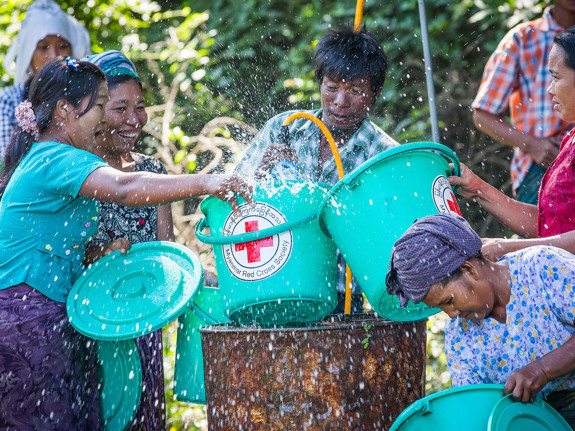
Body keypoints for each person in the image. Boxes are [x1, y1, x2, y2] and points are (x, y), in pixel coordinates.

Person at [0, 57, 252, 430]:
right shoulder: (55, 158)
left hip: (47, 315)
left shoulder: (55, 159)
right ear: (65, 111)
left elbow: (47, 241)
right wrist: (208, 181)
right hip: (27, 318)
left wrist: (96, 253)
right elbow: (124, 187)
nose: (103, 120)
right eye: (101, 107)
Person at [236, 25, 398, 313]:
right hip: (272, 284)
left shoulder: (383, 156)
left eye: (356, 90)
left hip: (342, 301)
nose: (340, 102)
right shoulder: (283, 128)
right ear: (320, 83)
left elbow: (388, 243)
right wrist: (260, 172)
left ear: (376, 94)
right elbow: (231, 203)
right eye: (332, 87)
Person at [386, 213, 575, 427]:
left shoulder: (544, 268)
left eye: (449, 301)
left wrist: (542, 369)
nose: (451, 314)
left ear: (469, 270)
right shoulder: (459, 339)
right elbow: (477, 412)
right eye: (440, 308)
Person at [80, 50, 172, 429]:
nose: (134, 120)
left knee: (142, 418)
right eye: (120, 108)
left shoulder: (153, 170)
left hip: (143, 326)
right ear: (96, 110)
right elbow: (61, 252)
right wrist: (101, 252)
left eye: (140, 106)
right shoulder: (80, 170)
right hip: (91, 328)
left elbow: (168, 251)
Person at [453, 26, 575, 260]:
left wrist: (508, 248)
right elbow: (548, 224)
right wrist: (479, 189)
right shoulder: (570, 139)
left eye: (556, 77)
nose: (550, 89)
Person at [472, 1, 575, 205]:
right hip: (541, 164)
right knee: (550, 224)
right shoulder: (522, 39)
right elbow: (483, 114)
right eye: (551, 77)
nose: (550, 89)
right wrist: (533, 145)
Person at [0, 0, 91, 159]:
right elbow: (5, 166)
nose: (54, 56)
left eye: (63, 45)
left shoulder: (87, 97)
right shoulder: (8, 101)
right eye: (43, 47)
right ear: (29, 54)